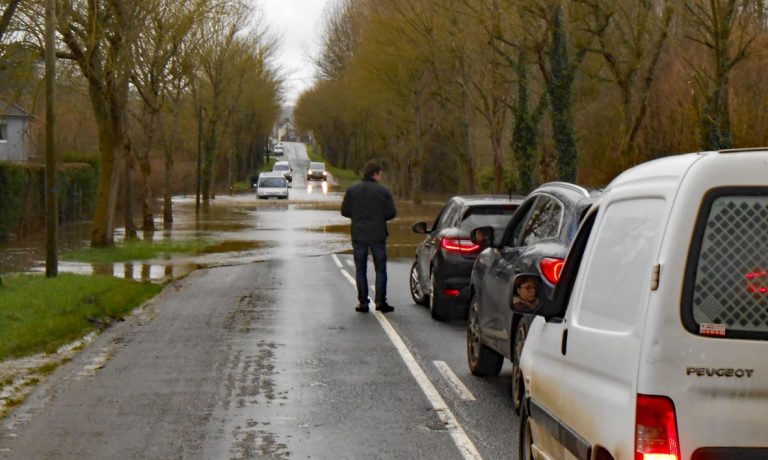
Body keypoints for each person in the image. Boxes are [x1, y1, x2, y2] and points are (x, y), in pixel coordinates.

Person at [341, 161, 397, 313]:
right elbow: (392, 213)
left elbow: (344, 211)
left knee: (360, 270)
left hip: (358, 234)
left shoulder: (352, 190)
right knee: (380, 269)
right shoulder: (384, 191)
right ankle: (380, 302)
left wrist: (358, 216)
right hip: (378, 235)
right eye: (380, 174)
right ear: (375, 174)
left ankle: (363, 303)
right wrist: (379, 217)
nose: (381, 177)